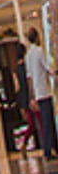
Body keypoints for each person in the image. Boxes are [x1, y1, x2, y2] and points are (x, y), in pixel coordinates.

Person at [28, 28, 55, 159]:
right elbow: (47, 67)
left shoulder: (28, 55)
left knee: (44, 123)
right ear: (37, 37)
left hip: (38, 93)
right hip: (45, 91)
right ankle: (48, 150)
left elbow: (29, 77)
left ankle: (48, 149)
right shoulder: (39, 51)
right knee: (48, 121)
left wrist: (31, 97)